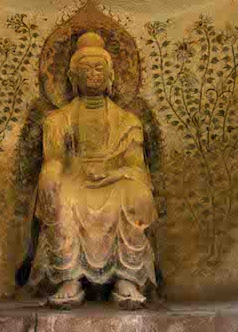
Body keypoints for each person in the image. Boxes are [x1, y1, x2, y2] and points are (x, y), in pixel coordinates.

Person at [28, 32, 157, 310]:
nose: (93, 74)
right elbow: (54, 159)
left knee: (138, 195)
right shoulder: (58, 119)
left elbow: (136, 166)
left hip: (115, 181)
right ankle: (69, 277)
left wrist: (113, 174)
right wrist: (49, 174)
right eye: (85, 69)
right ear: (73, 77)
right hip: (75, 179)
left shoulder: (128, 121)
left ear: (111, 75)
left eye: (99, 68)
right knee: (59, 196)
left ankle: (127, 277)